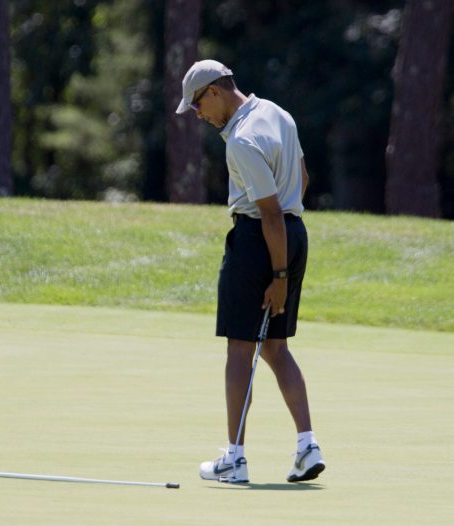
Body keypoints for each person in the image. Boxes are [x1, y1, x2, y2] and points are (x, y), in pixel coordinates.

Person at [175, 60, 325, 483]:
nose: (198, 115)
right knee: (275, 348)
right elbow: (302, 179)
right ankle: (307, 446)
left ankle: (234, 459)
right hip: (294, 235)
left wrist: (278, 276)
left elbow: (269, 212)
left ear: (215, 91)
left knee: (240, 350)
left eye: (198, 105)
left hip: (260, 241)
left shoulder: (240, 140)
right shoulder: (278, 113)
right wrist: (284, 260)